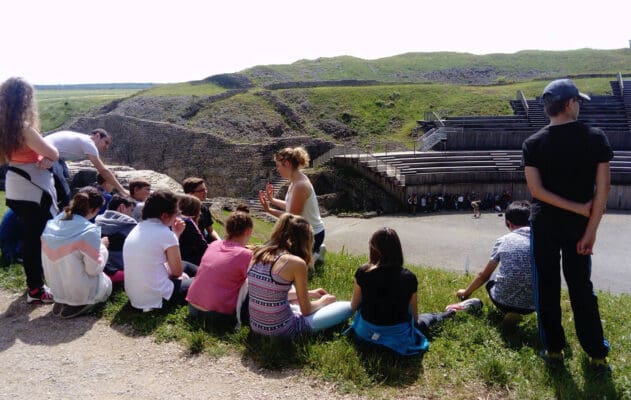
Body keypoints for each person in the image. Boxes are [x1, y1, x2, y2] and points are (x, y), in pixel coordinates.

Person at [522, 78, 612, 370]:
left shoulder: (532, 144)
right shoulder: (595, 137)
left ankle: (554, 349)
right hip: (578, 228)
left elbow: (537, 192)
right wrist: (590, 230)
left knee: (546, 286)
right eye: (578, 102)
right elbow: (604, 189)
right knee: (581, 287)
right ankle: (596, 352)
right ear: (571, 103)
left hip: (544, 225)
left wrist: (574, 208)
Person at [346, 228, 454, 356]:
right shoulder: (409, 277)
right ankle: (447, 313)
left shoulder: (363, 272)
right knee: (427, 319)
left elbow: (353, 306)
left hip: (365, 332)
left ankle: (447, 313)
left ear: (374, 249)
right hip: (396, 338)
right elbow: (414, 318)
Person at [0, 77, 59, 303]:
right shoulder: (23, 128)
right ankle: (36, 288)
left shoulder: (4, 127)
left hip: (15, 187)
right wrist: (48, 158)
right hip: (33, 189)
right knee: (36, 239)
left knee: (31, 237)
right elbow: (53, 152)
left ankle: (35, 282)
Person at [247, 213, 352, 337]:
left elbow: (272, 292)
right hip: (282, 330)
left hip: (256, 326)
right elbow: (306, 310)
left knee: (284, 285)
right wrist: (324, 301)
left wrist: (310, 293)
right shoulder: (296, 263)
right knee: (347, 307)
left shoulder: (258, 253)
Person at [456, 201, 535, 324]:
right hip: (533, 305)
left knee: (492, 275)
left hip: (502, 301)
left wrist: (465, 293)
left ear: (508, 223)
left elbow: (484, 276)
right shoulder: (543, 242)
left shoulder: (504, 240)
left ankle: (508, 310)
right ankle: (518, 312)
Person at [41, 187, 112, 318]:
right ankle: (80, 303)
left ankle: (62, 299)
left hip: (56, 286)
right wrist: (103, 248)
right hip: (79, 289)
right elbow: (94, 270)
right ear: (93, 210)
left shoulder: (52, 224)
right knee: (107, 284)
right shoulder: (89, 231)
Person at [123, 190, 196, 312]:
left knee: (186, 265)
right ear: (164, 215)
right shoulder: (165, 233)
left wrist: (175, 234)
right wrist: (179, 277)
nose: (178, 216)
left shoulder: (138, 227)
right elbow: (177, 272)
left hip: (136, 296)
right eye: (176, 213)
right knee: (203, 281)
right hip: (157, 298)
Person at [186, 205, 253, 325]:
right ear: (248, 231)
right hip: (217, 315)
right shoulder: (246, 254)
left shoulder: (214, 245)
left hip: (193, 308)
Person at [258, 147, 326, 261]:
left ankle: (314, 254)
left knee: (277, 258)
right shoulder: (295, 180)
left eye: (278, 165)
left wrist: (268, 210)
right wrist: (272, 200)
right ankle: (315, 251)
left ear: (287, 164)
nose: (277, 169)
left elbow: (291, 218)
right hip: (303, 232)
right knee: (268, 250)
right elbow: (290, 205)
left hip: (310, 235)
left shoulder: (300, 185)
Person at [44, 128, 128, 207]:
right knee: (65, 195)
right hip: (45, 153)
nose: (107, 147)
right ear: (97, 136)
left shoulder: (82, 139)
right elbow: (103, 171)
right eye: (106, 142)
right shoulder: (89, 143)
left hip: (52, 154)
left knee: (65, 176)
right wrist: (122, 190)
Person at [95, 194, 137, 285]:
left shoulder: (96, 222)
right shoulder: (130, 225)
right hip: (122, 270)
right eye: (131, 210)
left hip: (100, 267)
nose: (132, 215)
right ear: (122, 207)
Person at [182, 177, 220, 243]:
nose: (205, 192)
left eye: (205, 189)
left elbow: (210, 231)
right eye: (201, 190)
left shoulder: (204, 209)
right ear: (190, 193)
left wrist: (220, 242)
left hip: (203, 243)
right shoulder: (180, 211)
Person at [177, 194, 208, 266]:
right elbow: (203, 247)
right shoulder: (188, 222)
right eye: (199, 210)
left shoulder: (172, 221)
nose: (200, 213)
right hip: (188, 262)